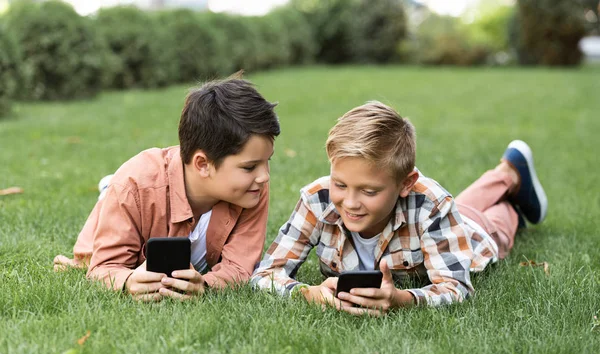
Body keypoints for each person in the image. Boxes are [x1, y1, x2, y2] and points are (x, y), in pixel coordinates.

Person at [251, 101, 547, 315]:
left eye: (369, 191)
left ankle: (510, 188)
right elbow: (265, 274)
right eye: (340, 184)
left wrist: (403, 299)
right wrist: (307, 292)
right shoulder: (318, 199)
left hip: (473, 234)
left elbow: (456, 288)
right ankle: (507, 173)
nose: (350, 202)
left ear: (406, 183)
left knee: (493, 221)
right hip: (448, 218)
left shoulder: (433, 205)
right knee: (463, 206)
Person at [54, 74, 280, 302]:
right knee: (85, 258)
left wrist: (207, 285)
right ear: (203, 164)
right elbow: (103, 268)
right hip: (137, 192)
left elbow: (240, 267)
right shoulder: (134, 185)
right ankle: (108, 192)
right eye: (250, 167)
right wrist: (127, 280)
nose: (264, 177)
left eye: (266, 162)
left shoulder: (250, 189)